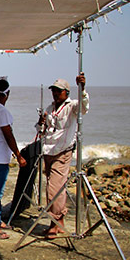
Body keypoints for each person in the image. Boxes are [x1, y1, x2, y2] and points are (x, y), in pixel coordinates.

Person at [38, 73, 89, 239]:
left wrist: (82, 88)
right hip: (49, 150)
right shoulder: (49, 108)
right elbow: (40, 130)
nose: (55, 94)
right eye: (53, 91)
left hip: (63, 150)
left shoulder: (72, 106)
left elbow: (84, 107)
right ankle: (57, 224)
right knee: (53, 188)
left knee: (55, 188)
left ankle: (57, 223)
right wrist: (41, 122)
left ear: (66, 92)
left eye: (58, 91)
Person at [0, 76, 27, 239]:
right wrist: (19, 155)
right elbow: (9, 135)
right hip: (0, 158)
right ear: (7, 93)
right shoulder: (3, 111)